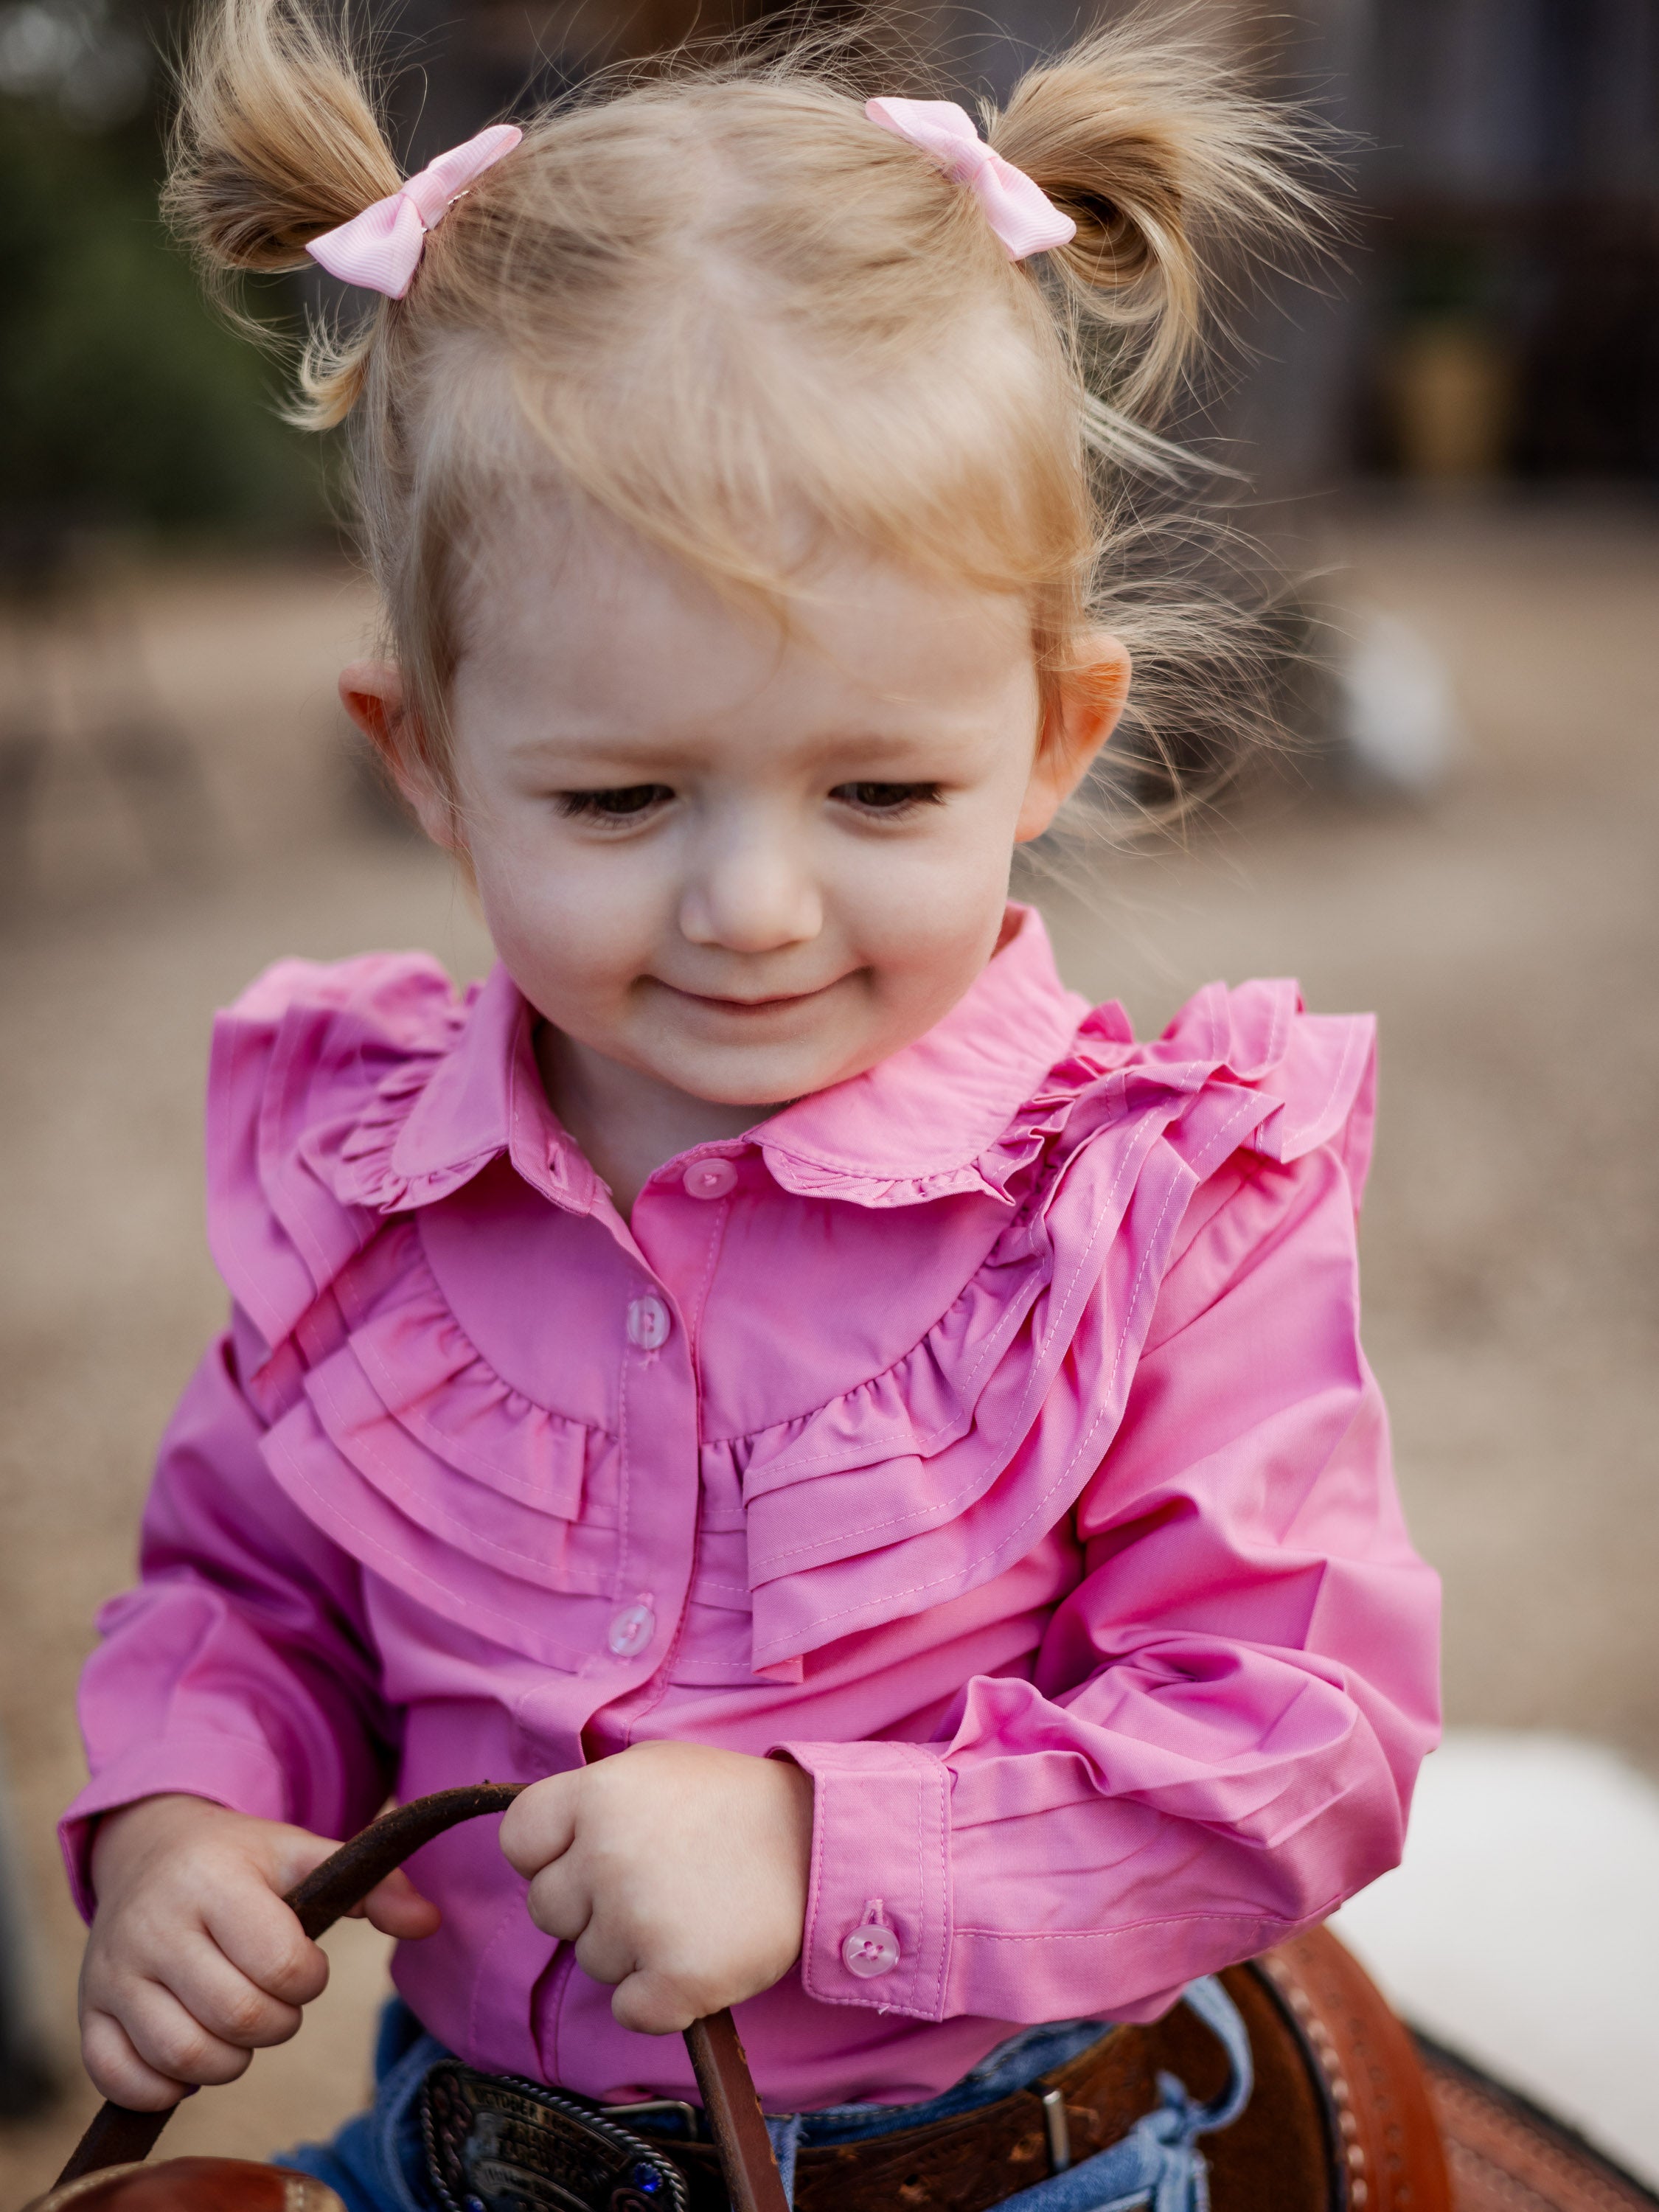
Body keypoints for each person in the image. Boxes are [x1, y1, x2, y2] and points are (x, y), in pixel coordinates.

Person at [60, 4, 1441, 2209]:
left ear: (1052, 735)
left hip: (995, 2171)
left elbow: (1293, 1742)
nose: (753, 909)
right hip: (468, 2148)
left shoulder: (1154, 1208)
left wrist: (825, 1855)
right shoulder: (366, 1187)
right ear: (426, 760)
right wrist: (187, 1816)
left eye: (880, 793)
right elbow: (253, 1595)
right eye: (620, 801)